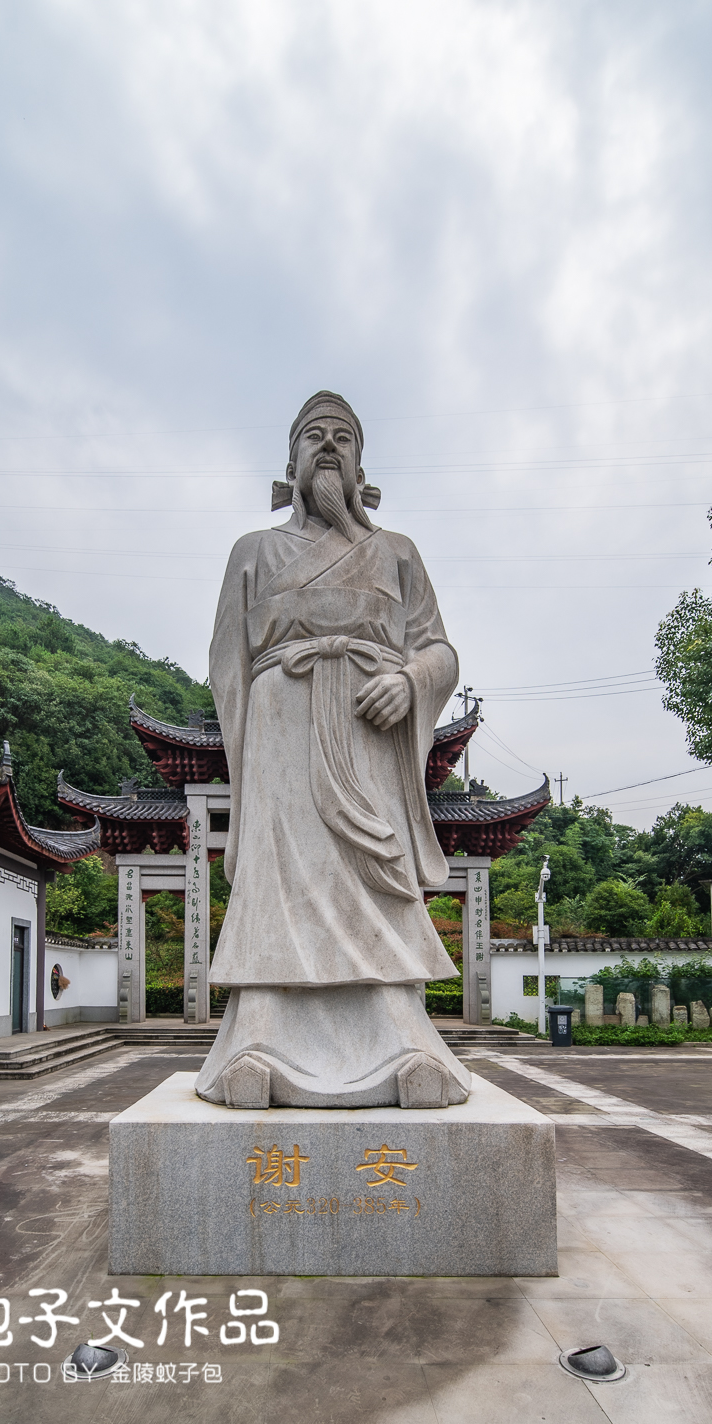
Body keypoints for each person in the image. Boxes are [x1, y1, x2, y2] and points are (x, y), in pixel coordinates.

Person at [197, 391, 471, 1107]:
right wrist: (251, 763)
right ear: (290, 461)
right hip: (282, 730)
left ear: (358, 463)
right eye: (312, 436)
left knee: (372, 875)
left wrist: (412, 681)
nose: (327, 447)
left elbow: (439, 647)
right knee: (277, 875)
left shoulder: (397, 553)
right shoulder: (252, 552)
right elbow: (227, 663)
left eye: (342, 438)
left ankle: (402, 1032)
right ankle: (257, 1032)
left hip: (368, 733)